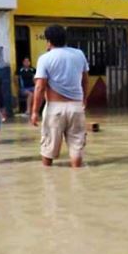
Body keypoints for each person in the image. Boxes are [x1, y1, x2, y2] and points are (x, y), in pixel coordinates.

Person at [31, 25, 89, 168]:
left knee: (48, 147)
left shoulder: (45, 58)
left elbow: (40, 87)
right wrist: (84, 99)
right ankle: (77, 175)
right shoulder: (79, 54)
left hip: (54, 108)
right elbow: (85, 80)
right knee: (76, 147)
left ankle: (47, 177)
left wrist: (34, 111)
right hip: (76, 107)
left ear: (48, 41)